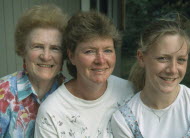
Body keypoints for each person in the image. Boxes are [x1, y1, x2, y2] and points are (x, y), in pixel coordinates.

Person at [34, 11, 134, 138]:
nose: (101, 60)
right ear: (71, 56)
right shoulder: (52, 112)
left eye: (107, 50)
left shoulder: (130, 91)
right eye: (89, 51)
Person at [111, 15, 190, 138]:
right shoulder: (125, 119)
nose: (173, 69)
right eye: (163, 58)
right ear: (141, 58)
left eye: (181, 60)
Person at [0, 4, 68, 137]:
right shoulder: (3, 93)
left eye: (55, 48)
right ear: (23, 50)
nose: (46, 56)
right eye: (38, 46)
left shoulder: (70, 93)